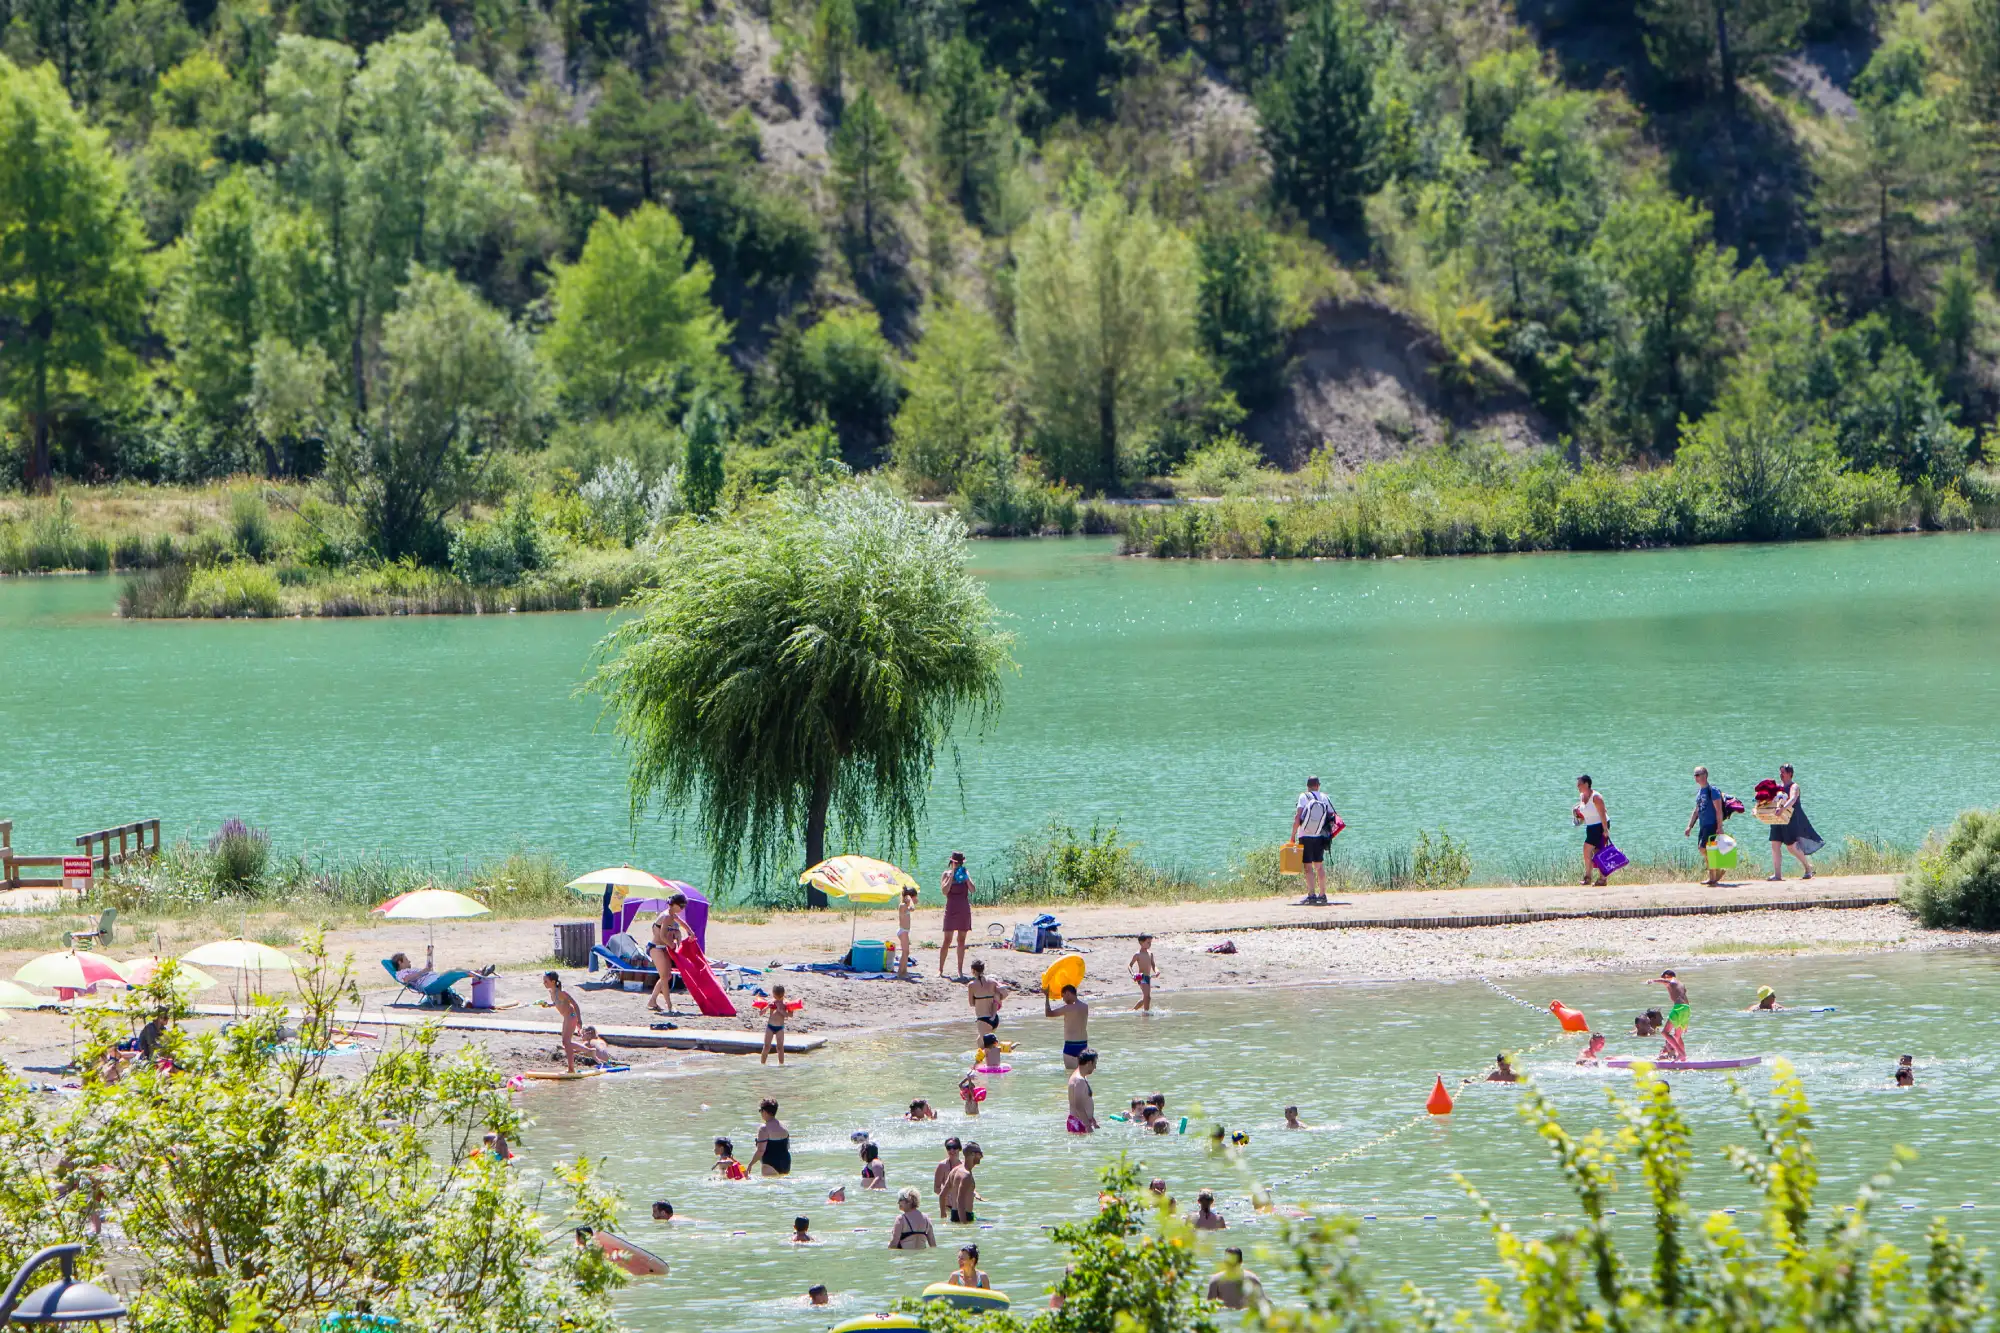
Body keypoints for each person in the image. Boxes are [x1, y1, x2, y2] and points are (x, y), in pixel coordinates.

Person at [1767, 764, 1822, 881]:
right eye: (1780, 772)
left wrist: (1783, 808)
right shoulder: (1778, 788)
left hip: (1790, 820)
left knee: (1791, 847)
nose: (1780, 775)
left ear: (1790, 774)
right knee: (1774, 845)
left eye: (1783, 772)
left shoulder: (1794, 786)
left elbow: (1792, 799)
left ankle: (1808, 868)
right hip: (1777, 820)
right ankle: (1777, 875)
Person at [1292, 776, 1341, 906]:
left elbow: (1298, 817)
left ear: (1307, 786)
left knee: (1308, 867)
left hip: (1305, 835)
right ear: (1318, 785)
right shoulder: (1324, 797)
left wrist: (1292, 835)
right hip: (1320, 836)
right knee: (1319, 866)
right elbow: (1333, 816)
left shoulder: (1303, 796)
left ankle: (1311, 895)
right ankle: (1323, 895)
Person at [1684, 766, 1729, 887]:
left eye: (1698, 774)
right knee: (1705, 849)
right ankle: (1715, 874)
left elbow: (1718, 810)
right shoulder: (1700, 792)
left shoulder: (1712, 790)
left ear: (1705, 775)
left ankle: (1714, 875)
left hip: (1711, 824)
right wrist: (1689, 826)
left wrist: (1719, 826)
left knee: (1703, 848)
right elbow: (1696, 810)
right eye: (1695, 775)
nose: (1696, 777)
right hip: (1703, 825)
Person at [647, 894, 688, 1016]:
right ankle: (670, 1005)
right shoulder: (666, 916)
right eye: (681, 906)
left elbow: (682, 923)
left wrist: (690, 933)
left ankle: (652, 1000)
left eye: (684, 906)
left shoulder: (671, 915)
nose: (682, 908)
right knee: (665, 977)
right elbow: (662, 936)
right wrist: (672, 945)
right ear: (674, 905)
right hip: (656, 948)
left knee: (667, 976)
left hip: (663, 947)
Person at [940, 852, 975, 979]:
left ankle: (960, 970)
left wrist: (965, 878)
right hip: (951, 909)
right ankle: (941, 970)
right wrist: (952, 876)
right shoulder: (946, 874)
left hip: (963, 909)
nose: (958, 865)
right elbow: (944, 891)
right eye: (955, 863)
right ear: (952, 863)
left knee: (961, 940)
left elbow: (973, 890)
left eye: (960, 863)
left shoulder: (966, 873)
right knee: (947, 940)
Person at [1574, 775, 1612, 886]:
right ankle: (1601, 879)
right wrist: (1578, 813)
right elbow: (1585, 811)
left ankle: (1589, 878)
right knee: (1597, 852)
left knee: (1587, 849)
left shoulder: (1596, 797)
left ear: (1586, 784)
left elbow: (1603, 813)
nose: (1578, 787)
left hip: (1600, 826)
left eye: (1579, 784)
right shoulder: (1582, 796)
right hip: (1590, 827)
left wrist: (1605, 829)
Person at [542, 972, 582, 1073]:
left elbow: (575, 1004)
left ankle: (571, 1069)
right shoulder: (552, 992)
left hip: (572, 1016)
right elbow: (557, 1003)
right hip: (567, 1017)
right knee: (565, 1042)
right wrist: (549, 1005)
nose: (544, 983)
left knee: (566, 1042)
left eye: (546, 981)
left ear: (553, 981)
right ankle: (589, 1051)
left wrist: (579, 1021)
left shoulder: (561, 993)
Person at [1046, 984, 1091, 1069]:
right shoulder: (1085, 1007)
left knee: (1071, 1075)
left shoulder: (1068, 1008)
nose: (1063, 1000)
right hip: (1083, 1045)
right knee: (1083, 1075)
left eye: (1063, 996)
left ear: (1068, 993)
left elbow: (1048, 1013)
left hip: (1070, 1045)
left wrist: (1046, 996)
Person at [1649, 970, 1690, 1061]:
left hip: (1678, 1008)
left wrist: (1653, 980)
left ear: (1667, 976)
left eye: (1663, 977)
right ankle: (1683, 1059)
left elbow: (1666, 981)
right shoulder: (1681, 984)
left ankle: (1681, 1053)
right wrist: (1686, 1023)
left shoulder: (1672, 981)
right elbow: (1685, 997)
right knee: (1677, 1036)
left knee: (1665, 1032)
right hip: (1686, 1009)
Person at [940, 1143, 983, 1223]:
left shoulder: (955, 1170)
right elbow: (960, 1201)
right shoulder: (966, 1175)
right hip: (965, 1216)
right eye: (980, 1154)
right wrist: (964, 1225)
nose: (982, 1156)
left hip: (954, 1214)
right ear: (972, 1154)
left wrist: (943, 1215)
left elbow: (942, 1195)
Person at [749, 1099, 791, 1177]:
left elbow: (761, 1150)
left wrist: (750, 1164)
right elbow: (787, 1147)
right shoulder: (784, 1126)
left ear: (764, 1111)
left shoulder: (764, 1128)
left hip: (770, 1164)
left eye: (760, 1110)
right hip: (786, 1163)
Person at [967, 960, 1006, 1038]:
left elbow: (971, 1004)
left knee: (986, 1047)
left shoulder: (971, 985)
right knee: (982, 1042)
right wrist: (997, 999)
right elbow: (1004, 993)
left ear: (973, 970)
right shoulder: (992, 981)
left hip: (983, 1019)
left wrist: (979, 1001)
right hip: (994, 1019)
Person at [1067, 1050, 1099, 1133]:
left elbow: (1085, 1100)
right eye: (1094, 1064)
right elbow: (1078, 1106)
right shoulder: (1079, 1080)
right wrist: (1087, 1126)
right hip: (1079, 1124)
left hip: (1081, 1122)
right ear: (1089, 1063)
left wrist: (1092, 1120)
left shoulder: (1081, 1076)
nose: (1095, 1067)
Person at [760, 984, 792, 1065]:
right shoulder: (771, 1002)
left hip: (780, 1028)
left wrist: (781, 1011)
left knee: (780, 1047)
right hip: (770, 1027)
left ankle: (781, 1064)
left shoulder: (786, 1003)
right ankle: (762, 1064)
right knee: (766, 1046)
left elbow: (790, 1015)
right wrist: (767, 1008)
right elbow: (761, 1013)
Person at [1129, 935, 1160, 1012]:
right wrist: (1133, 974)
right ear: (1141, 942)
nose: (1150, 944)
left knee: (1145, 998)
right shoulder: (1137, 954)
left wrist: (1156, 971)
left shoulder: (1150, 953)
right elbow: (1130, 965)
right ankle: (1146, 1013)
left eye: (1150, 943)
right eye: (1148, 942)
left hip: (1147, 977)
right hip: (1141, 976)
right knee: (1147, 997)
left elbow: (1153, 965)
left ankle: (1133, 1010)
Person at [897, 885, 918, 980]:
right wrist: (909, 900)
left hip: (905, 931)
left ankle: (904, 970)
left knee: (906, 952)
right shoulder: (902, 906)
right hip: (903, 931)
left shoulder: (906, 906)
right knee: (905, 952)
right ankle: (901, 972)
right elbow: (912, 908)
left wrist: (912, 901)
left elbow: (912, 907)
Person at [934, 1138, 962, 1202]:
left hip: (963, 1206)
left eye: (954, 1147)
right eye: (949, 1148)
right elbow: (936, 1189)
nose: (952, 1150)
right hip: (949, 1206)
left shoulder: (964, 1165)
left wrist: (975, 1194)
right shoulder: (942, 1166)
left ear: (959, 1148)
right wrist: (949, 1196)